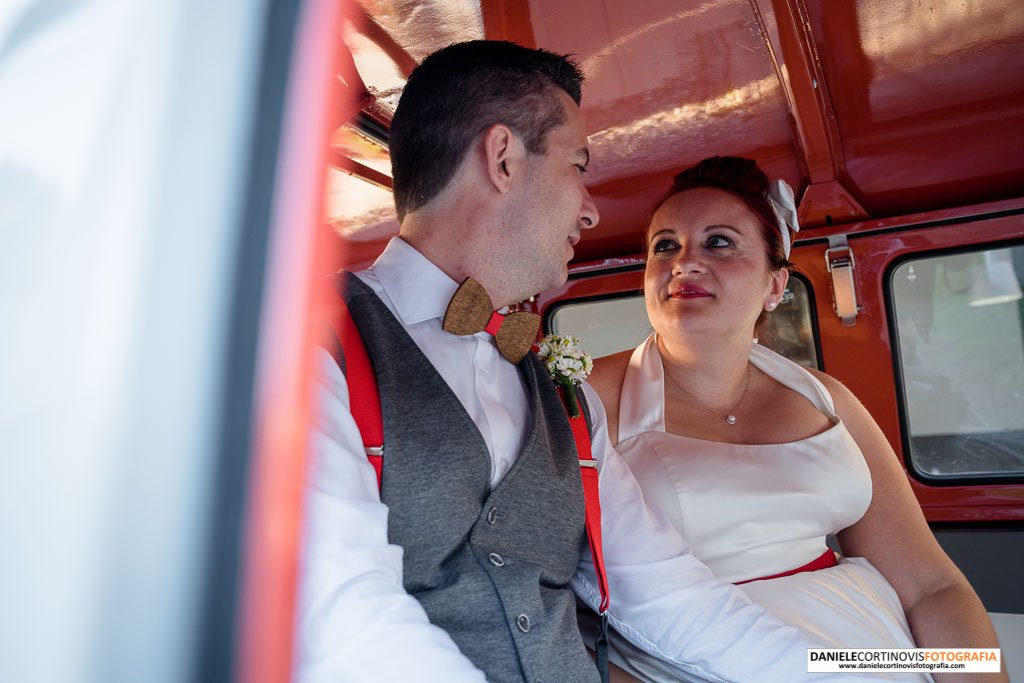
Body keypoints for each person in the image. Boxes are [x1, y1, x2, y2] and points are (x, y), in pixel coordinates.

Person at [294, 42, 865, 683]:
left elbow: (671, 597)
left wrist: (879, 672)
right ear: (503, 158)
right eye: (578, 166)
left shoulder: (565, 393)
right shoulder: (303, 347)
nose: (590, 209)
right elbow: (332, 607)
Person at [586, 156, 1007, 683]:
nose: (683, 262)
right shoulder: (585, 402)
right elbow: (551, 612)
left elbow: (930, 584)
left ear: (774, 284)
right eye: (664, 245)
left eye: (719, 242)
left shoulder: (826, 398)